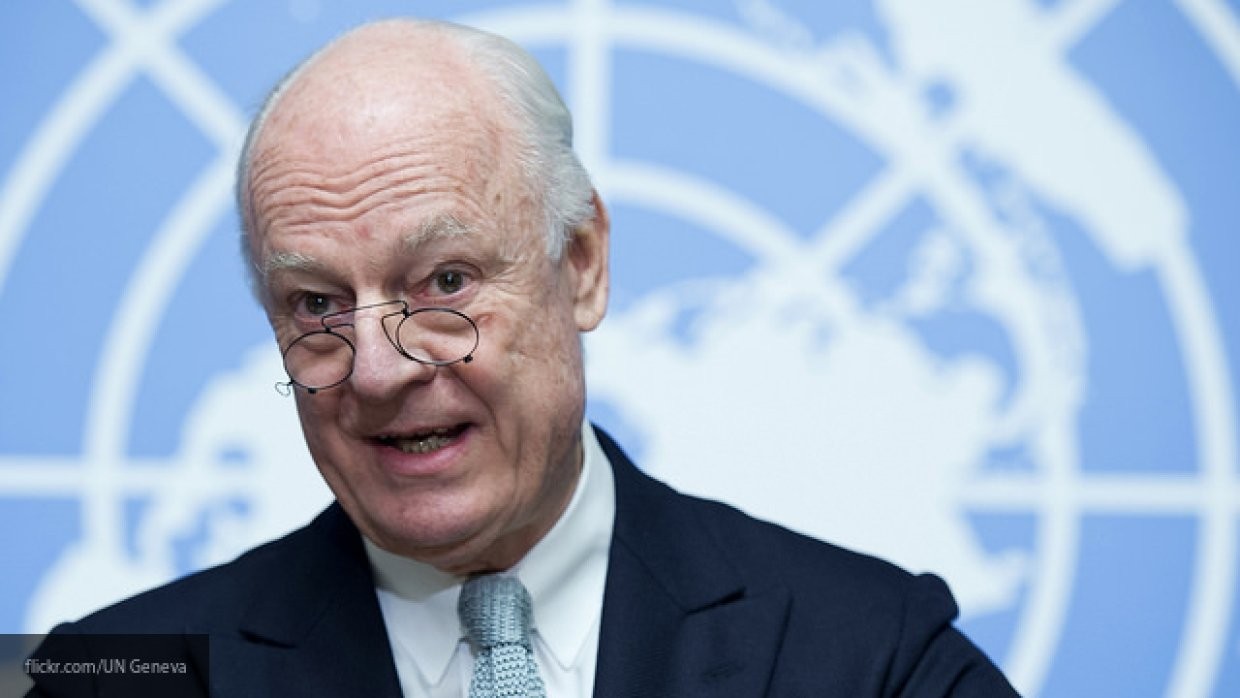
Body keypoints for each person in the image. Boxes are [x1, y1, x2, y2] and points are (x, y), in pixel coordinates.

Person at [27, 17, 1018, 697]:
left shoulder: (872, 657)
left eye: (444, 281)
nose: (376, 370)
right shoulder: (110, 677)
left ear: (580, 263)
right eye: (317, 303)